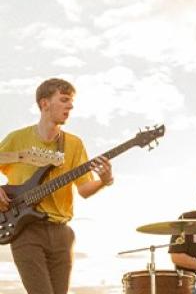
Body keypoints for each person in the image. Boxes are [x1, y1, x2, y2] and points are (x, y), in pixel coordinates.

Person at [0, 78, 114, 294]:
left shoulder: (74, 144)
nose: (70, 106)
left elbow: (84, 189)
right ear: (44, 103)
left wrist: (104, 181)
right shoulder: (17, 139)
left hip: (62, 233)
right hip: (26, 230)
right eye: (64, 100)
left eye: (71, 101)